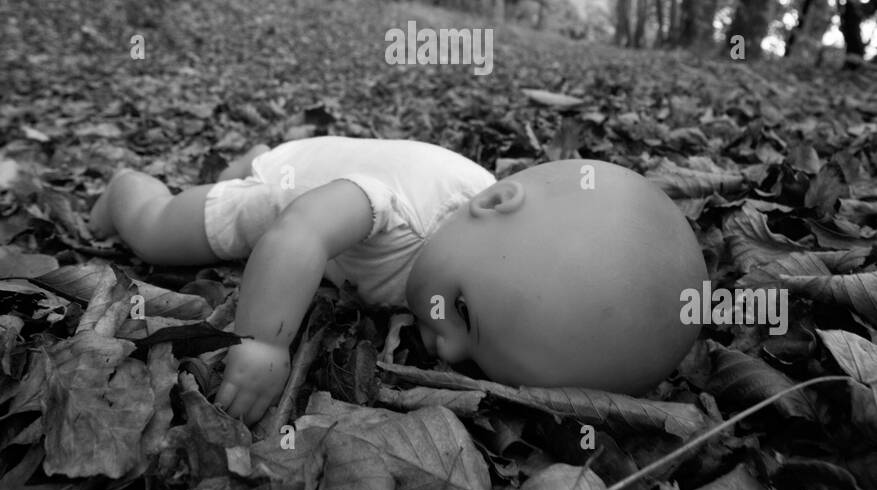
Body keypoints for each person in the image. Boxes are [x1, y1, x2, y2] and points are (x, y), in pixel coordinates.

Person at [89, 137, 706, 425]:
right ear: (493, 203)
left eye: (481, 361)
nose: (448, 349)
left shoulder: (490, 243)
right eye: (463, 313)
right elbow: (299, 234)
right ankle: (125, 188)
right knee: (159, 232)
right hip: (280, 186)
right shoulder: (403, 208)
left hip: (306, 168)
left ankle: (225, 163)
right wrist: (264, 340)